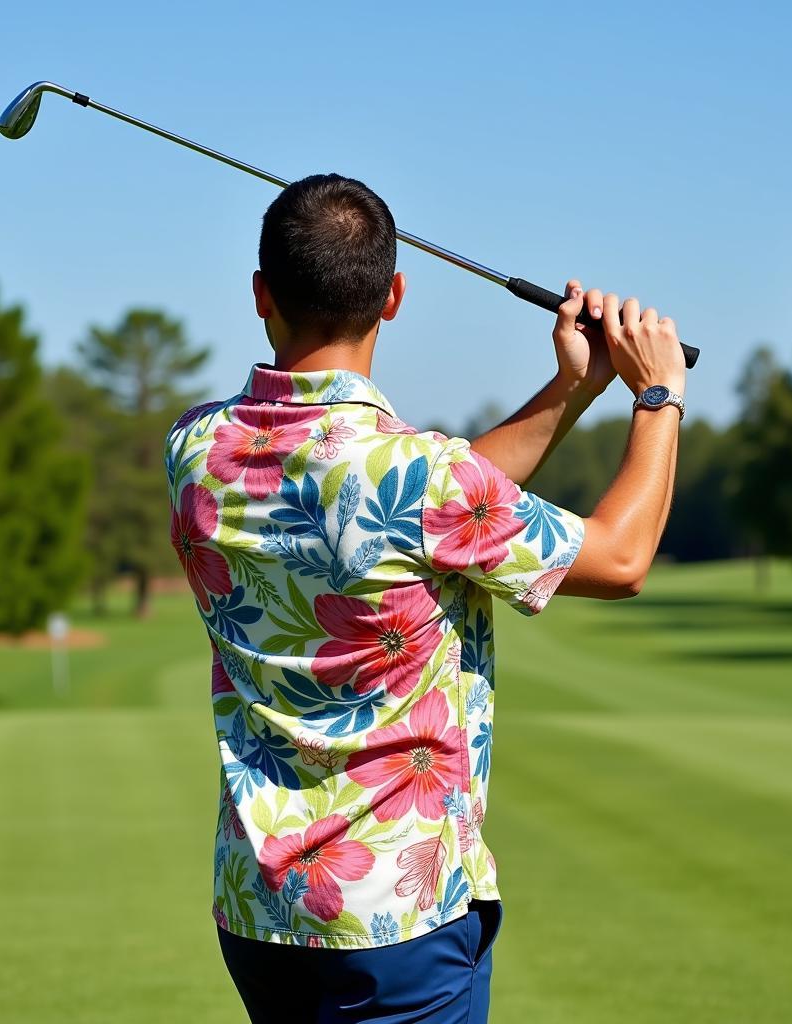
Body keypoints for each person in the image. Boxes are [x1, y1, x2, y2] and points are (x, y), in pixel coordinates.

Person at [163, 173, 686, 1023]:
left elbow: (426, 510)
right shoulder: (418, 476)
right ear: (394, 296)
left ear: (262, 293)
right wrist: (657, 398)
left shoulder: (196, 445)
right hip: (396, 926)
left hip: (258, 914)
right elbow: (620, 560)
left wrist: (574, 390)